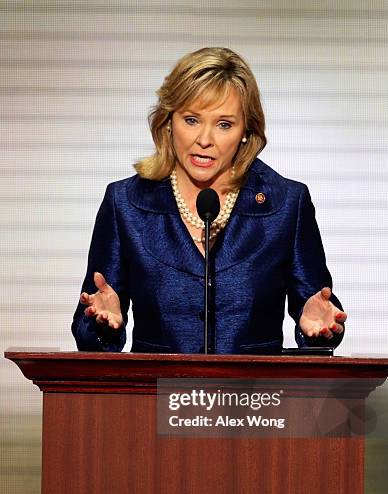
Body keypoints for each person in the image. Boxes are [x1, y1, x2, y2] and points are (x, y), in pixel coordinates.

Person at [72, 47, 346, 354]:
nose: (205, 139)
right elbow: (89, 328)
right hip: (158, 397)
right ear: (168, 121)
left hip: (257, 399)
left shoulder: (286, 205)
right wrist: (99, 323)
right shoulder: (125, 204)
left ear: (246, 131)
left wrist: (320, 326)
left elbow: (318, 312)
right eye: (191, 119)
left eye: (224, 124)